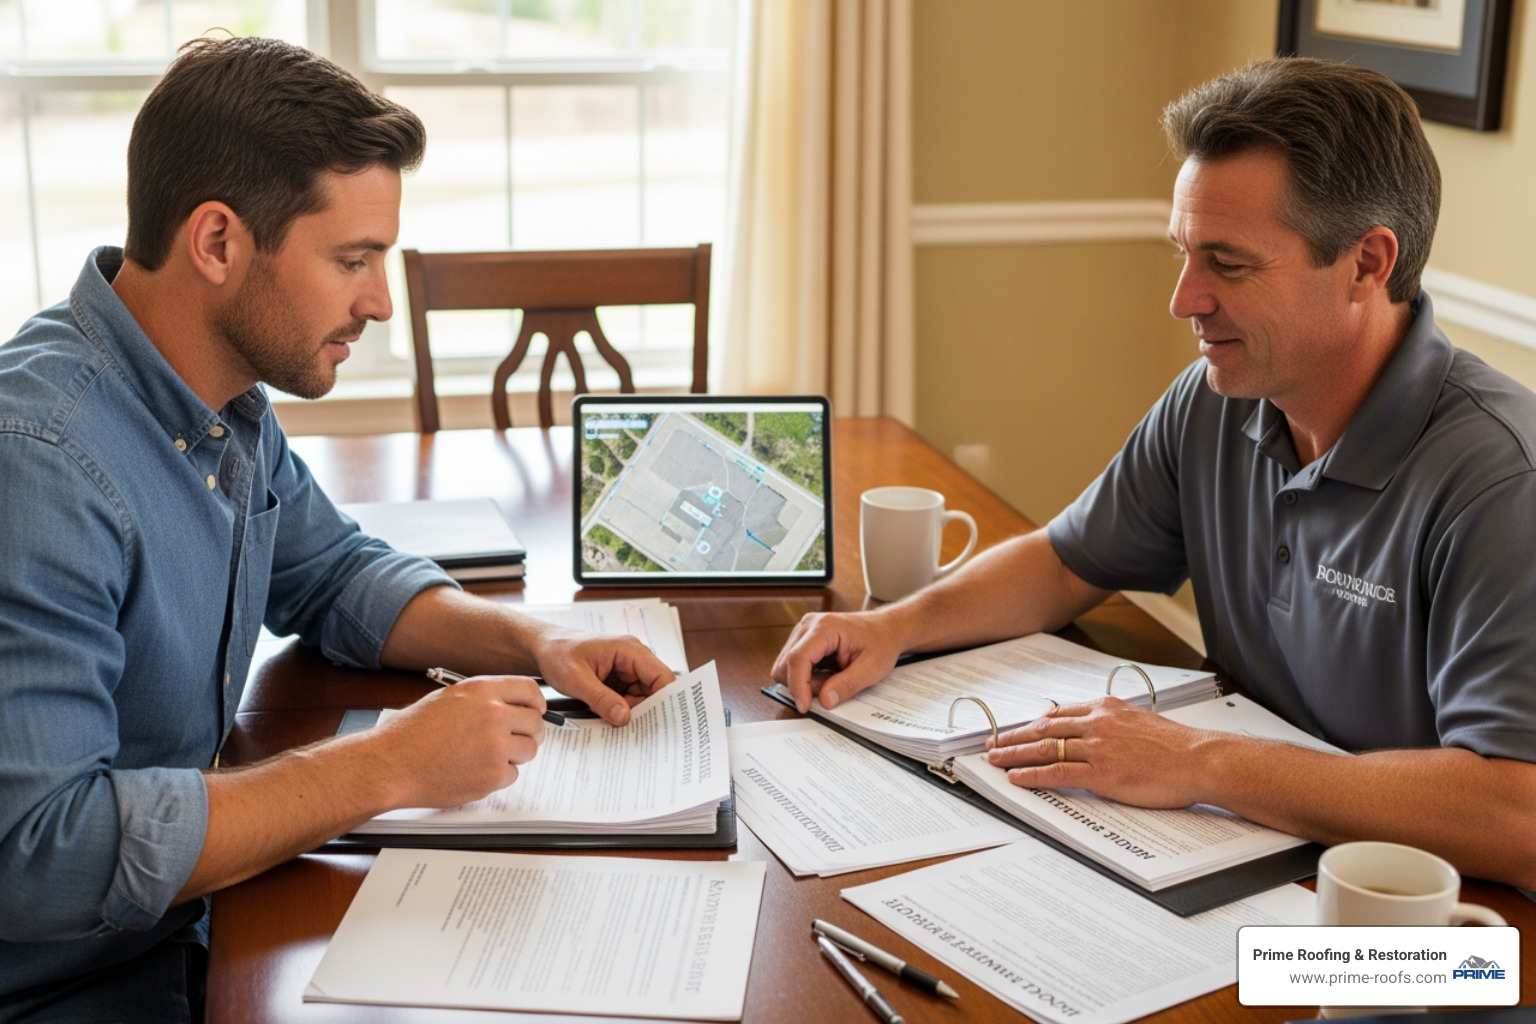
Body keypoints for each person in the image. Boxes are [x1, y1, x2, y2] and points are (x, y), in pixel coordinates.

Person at [0, 36, 675, 1021]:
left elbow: (333, 572)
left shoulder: (220, 397)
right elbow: (42, 855)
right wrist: (391, 764)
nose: (380, 303)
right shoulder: (42, 461)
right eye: (352, 260)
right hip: (72, 986)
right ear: (220, 242)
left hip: (199, 921)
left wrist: (540, 640)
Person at [773, 57, 1536, 889]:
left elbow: (1517, 813)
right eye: (1183, 252)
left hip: (1452, 941)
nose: (1183, 299)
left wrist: (1201, 762)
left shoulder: (1502, 483)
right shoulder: (1218, 400)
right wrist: (897, 628)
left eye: (1228, 263)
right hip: (1262, 859)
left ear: (1366, 264)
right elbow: (1067, 561)